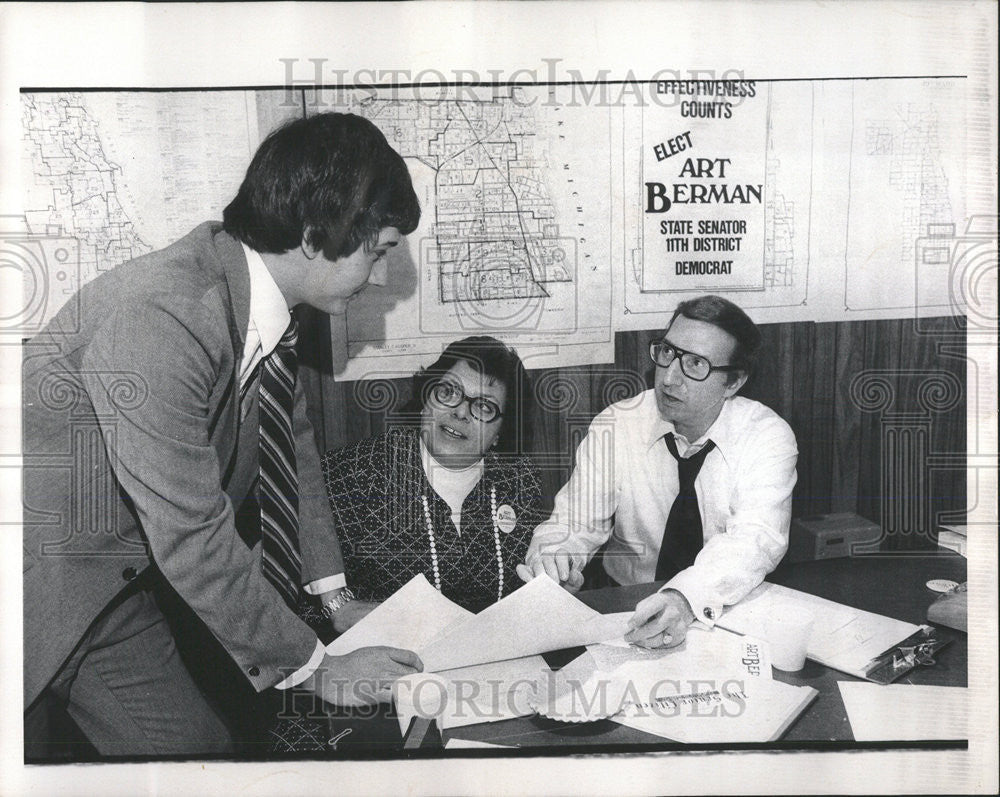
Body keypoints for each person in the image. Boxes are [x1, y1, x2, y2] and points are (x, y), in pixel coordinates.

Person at [22, 112, 423, 757]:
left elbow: (291, 449)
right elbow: (190, 530)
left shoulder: (257, 306)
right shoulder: (163, 315)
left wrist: (335, 596)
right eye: (377, 250)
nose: (378, 277)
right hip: (30, 590)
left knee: (200, 758)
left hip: (117, 586)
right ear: (317, 235)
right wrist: (319, 668)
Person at [518, 295, 797, 650]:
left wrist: (683, 598)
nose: (669, 378)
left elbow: (756, 539)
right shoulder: (618, 424)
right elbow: (574, 522)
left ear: (733, 383)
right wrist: (555, 557)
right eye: (668, 352)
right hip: (627, 610)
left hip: (721, 611)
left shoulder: (766, 436)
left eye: (696, 364)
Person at [320, 336, 544, 615]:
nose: (460, 412)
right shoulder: (354, 473)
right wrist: (336, 608)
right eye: (449, 392)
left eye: (484, 407)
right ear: (427, 397)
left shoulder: (520, 480)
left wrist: (553, 590)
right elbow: (301, 602)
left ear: (501, 431)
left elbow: (529, 589)